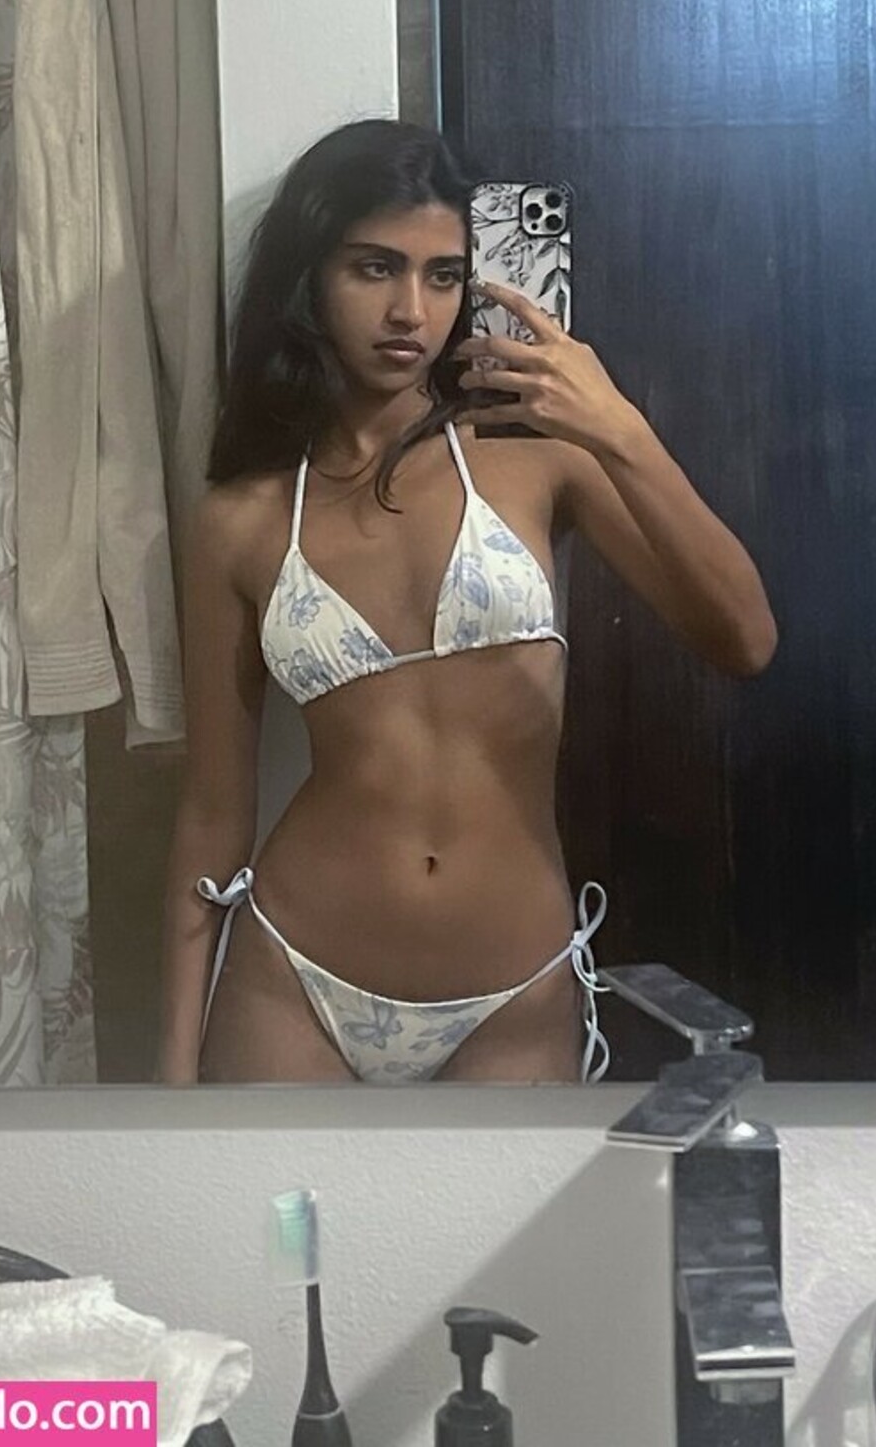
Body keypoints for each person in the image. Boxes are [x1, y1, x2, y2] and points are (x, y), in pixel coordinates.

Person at [159, 119, 777, 1085]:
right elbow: (211, 812)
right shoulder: (241, 518)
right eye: (375, 268)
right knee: (257, 1197)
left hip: (512, 992)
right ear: (309, 277)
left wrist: (619, 427)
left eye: (444, 275)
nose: (411, 310)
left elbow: (745, 638)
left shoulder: (536, 453)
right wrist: (169, 1078)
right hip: (292, 981)